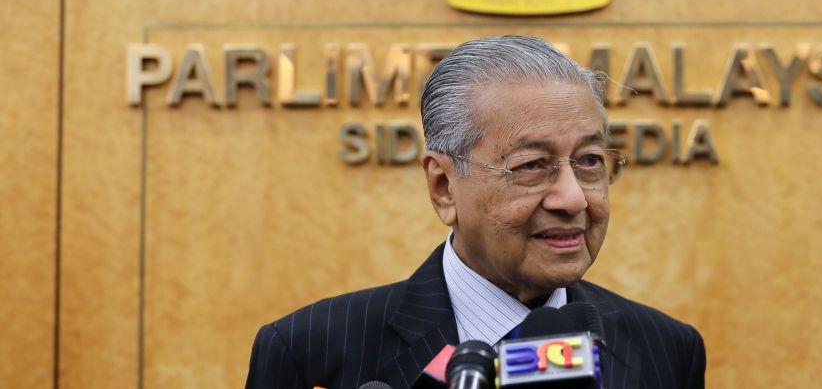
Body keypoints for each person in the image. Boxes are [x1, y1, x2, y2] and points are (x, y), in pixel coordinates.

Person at [245, 35, 706, 388]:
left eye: (589, 161)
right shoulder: (311, 350)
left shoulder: (666, 349)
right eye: (531, 166)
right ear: (443, 186)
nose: (574, 199)